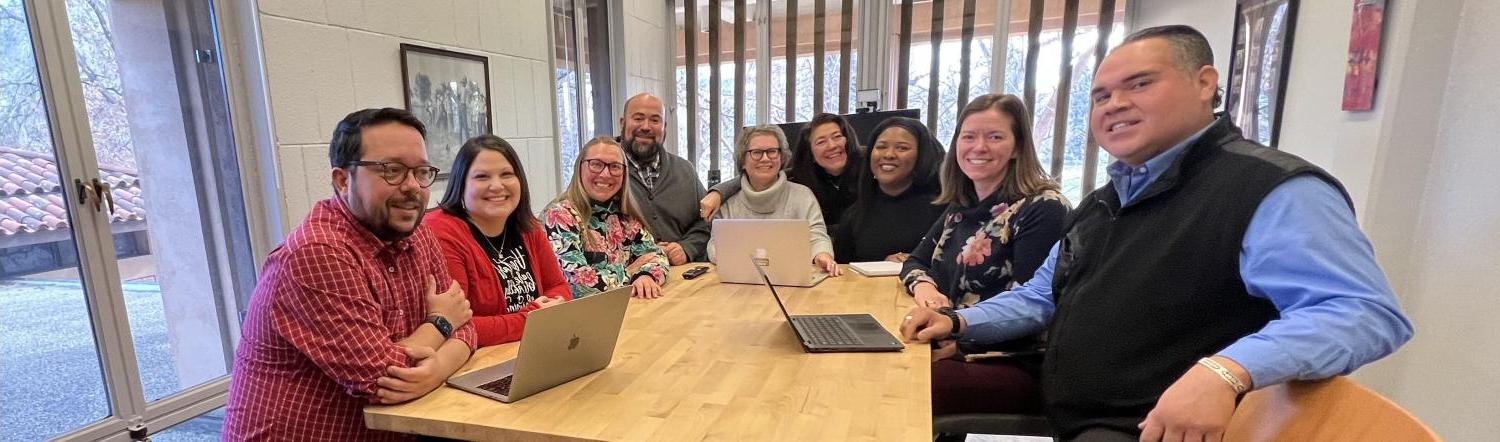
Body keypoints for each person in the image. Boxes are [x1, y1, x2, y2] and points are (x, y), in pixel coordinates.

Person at [901, 26, 1413, 441]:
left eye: (1140, 84)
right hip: (1074, 412)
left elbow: (1362, 313)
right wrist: (958, 323)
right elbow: (1042, 296)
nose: (1114, 103)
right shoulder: (1103, 204)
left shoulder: (1270, 189)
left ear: (1205, 82)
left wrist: (1226, 372)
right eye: (1101, 94)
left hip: (1148, 428)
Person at [224, 108, 476, 440]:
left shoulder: (416, 232)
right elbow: (383, 377)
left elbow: (467, 325)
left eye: (421, 172)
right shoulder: (318, 252)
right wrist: (440, 323)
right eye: (393, 170)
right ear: (343, 180)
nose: (413, 187)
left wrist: (437, 368)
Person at [899, 95, 1070, 419]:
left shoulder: (1042, 208)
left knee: (902, 380)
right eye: (969, 136)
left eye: (994, 137)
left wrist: (960, 344)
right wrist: (927, 290)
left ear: (1018, 146)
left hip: (1017, 359)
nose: (979, 147)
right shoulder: (962, 206)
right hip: (953, 334)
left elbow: (1034, 312)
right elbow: (915, 261)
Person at [426, 135, 571, 346]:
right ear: (461, 184)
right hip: (475, 364)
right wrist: (531, 320)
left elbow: (558, 286)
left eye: (507, 174)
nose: (497, 186)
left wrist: (551, 307)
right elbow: (456, 324)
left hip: (533, 348)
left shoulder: (527, 226)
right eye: (482, 177)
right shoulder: (442, 232)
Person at [545, 136, 672, 299]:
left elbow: (657, 255)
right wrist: (630, 272)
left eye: (615, 166)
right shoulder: (559, 216)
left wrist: (645, 276)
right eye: (596, 164)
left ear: (624, 173)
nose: (606, 174)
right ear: (579, 168)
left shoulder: (625, 216)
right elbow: (575, 284)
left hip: (628, 310)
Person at [699, 113, 864, 237]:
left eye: (837, 137)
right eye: (821, 141)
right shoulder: (803, 175)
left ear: (848, 138)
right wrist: (719, 192)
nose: (832, 146)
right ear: (810, 152)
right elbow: (763, 172)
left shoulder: (871, 167)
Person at [708, 125, 841, 275]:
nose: (765, 158)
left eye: (772, 152)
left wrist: (822, 255)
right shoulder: (727, 203)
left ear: (781, 157)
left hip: (793, 281)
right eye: (756, 152)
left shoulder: (802, 195)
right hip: (740, 280)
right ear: (743, 161)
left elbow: (816, 235)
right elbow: (714, 245)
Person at [832, 117, 946, 264]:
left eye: (902, 148)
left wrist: (914, 263)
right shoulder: (854, 215)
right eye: (881, 147)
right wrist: (881, 265)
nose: (889, 154)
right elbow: (841, 274)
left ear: (921, 156)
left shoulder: (944, 211)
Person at [619, 93, 711, 265]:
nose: (646, 127)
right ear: (622, 123)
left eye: (655, 120)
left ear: (664, 127)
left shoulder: (685, 171)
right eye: (638, 118)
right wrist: (642, 253)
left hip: (682, 278)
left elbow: (707, 221)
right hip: (629, 280)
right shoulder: (605, 173)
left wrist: (687, 248)